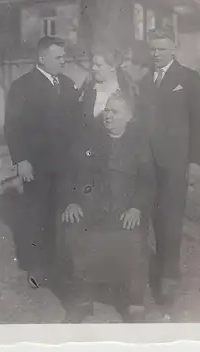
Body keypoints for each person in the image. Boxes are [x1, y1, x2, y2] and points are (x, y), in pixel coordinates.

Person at [58, 91, 155, 323]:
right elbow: (67, 175)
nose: (108, 116)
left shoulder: (138, 142)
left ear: (129, 117)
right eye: (107, 111)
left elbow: (148, 181)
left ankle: (135, 304)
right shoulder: (88, 139)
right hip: (92, 209)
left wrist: (137, 208)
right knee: (75, 233)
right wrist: (70, 201)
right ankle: (82, 301)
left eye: (115, 112)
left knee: (134, 242)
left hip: (125, 210)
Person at [4, 36, 80, 287]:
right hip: (36, 166)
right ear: (42, 58)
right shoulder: (22, 86)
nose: (64, 61)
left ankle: (60, 265)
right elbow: (13, 127)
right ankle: (35, 267)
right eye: (58, 57)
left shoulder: (68, 85)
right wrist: (21, 160)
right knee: (37, 216)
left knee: (62, 214)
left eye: (64, 56)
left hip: (66, 165)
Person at [148, 29, 200, 306]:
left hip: (176, 163)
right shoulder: (145, 80)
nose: (157, 54)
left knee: (171, 221)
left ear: (174, 49)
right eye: (153, 49)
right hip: (148, 164)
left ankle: (169, 278)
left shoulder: (189, 78)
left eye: (162, 49)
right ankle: (156, 269)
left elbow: (199, 124)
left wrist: (195, 161)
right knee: (154, 220)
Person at [80, 47, 134, 131]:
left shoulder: (126, 90)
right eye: (93, 64)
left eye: (98, 65)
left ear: (113, 66)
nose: (94, 68)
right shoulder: (89, 89)